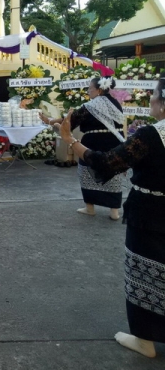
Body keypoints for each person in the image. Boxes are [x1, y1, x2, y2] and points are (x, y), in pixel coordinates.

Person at [60, 72, 165, 359]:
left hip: (151, 216)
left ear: (162, 103)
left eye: (155, 95)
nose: (151, 100)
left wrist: (70, 140)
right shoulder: (130, 119)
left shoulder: (151, 135)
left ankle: (145, 340)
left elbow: (107, 163)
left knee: (146, 272)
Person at [41, 77, 124, 220]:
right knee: (113, 173)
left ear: (99, 90)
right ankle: (114, 212)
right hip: (115, 143)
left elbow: (70, 121)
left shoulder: (91, 106)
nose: (88, 91)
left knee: (87, 172)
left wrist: (50, 121)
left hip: (93, 143)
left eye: (90, 89)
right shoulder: (116, 103)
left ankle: (90, 208)